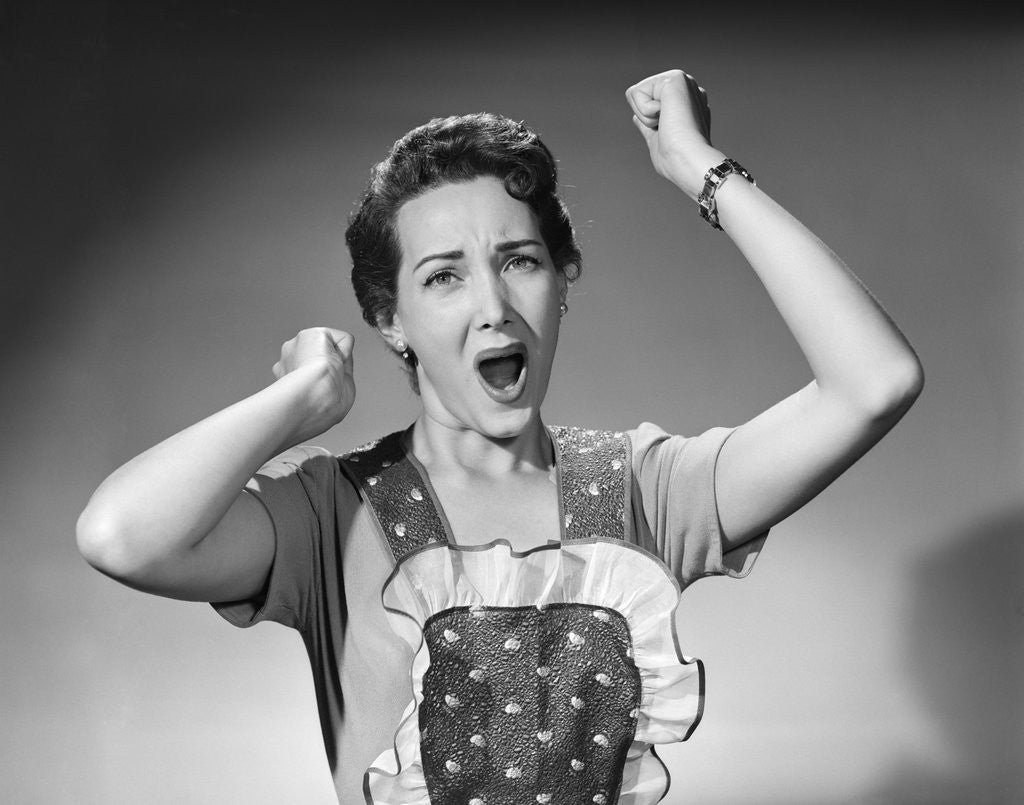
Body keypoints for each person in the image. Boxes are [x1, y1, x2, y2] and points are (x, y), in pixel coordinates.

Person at [76, 69, 923, 804]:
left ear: (562, 284)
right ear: (391, 320)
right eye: (443, 276)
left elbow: (874, 382)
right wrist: (299, 401)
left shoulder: (648, 490)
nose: (492, 305)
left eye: (519, 260)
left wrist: (702, 170)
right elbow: (121, 536)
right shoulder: (330, 514)